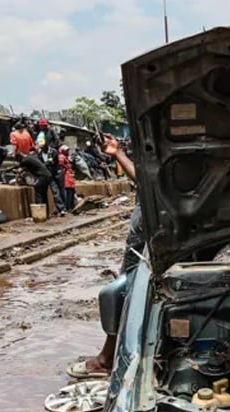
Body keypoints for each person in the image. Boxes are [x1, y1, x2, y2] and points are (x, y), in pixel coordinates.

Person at [68, 134, 141, 379]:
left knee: (125, 290)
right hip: (156, 226)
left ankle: (107, 359)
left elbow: (146, 183)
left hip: (147, 229)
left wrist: (118, 153)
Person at [57, 147, 77, 214]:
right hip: (66, 176)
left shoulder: (66, 157)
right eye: (66, 150)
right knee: (69, 192)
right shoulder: (61, 157)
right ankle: (68, 207)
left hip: (69, 176)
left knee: (71, 191)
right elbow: (61, 165)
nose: (67, 152)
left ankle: (71, 207)